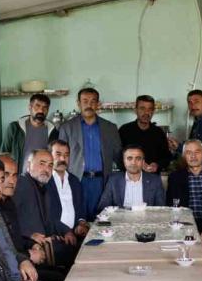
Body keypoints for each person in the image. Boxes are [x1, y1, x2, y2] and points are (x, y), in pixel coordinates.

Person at [0, 153, 67, 281]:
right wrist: (28, 253)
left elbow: (14, 236)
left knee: (65, 276)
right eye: (5, 175)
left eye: (14, 175)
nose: (11, 181)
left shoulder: (9, 202)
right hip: (14, 274)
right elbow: (1, 249)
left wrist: (31, 243)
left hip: (28, 257)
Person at [58, 88, 123, 220]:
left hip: (102, 182)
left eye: (93, 101)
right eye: (85, 101)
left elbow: (119, 156)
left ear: (98, 104)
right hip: (76, 180)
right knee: (76, 220)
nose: (89, 105)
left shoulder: (110, 128)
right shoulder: (67, 127)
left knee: (101, 220)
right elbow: (61, 157)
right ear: (78, 103)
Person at [14, 149, 77, 267]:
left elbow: (50, 220)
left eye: (50, 165)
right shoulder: (21, 184)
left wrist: (67, 231)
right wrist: (29, 235)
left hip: (44, 243)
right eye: (42, 164)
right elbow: (8, 219)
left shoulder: (44, 189)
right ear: (29, 165)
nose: (46, 169)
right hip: (29, 248)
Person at [0, 93, 59, 171]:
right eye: (37, 106)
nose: (41, 110)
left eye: (45, 108)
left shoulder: (53, 132)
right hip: (18, 176)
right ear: (30, 107)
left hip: (42, 176)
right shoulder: (15, 128)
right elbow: (3, 155)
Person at [97, 145, 165, 210]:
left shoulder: (155, 181)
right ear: (124, 161)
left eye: (138, 158)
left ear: (143, 162)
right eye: (129, 158)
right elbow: (103, 208)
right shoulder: (113, 180)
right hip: (120, 218)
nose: (133, 162)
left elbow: (161, 210)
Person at [118, 95, 172, 173]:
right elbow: (118, 156)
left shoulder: (158, 132)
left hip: (152, 177)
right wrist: (134, 165)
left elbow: (167, 157)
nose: (146, 112)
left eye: (150, 109)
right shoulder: (124, 130)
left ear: (153, 111)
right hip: (129, 177)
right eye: (142, 108)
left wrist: (157, 165)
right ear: (135, 110)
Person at [47, 139, 89, 239]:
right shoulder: (45, 181)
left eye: (66, 155)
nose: (63, 158)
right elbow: (44, 215)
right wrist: (64, 231)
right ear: (49, 156)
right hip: (54, 236)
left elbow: (81, 208)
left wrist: (81, 223)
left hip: (75, 235)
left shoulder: (75, 181)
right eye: (58, 154)